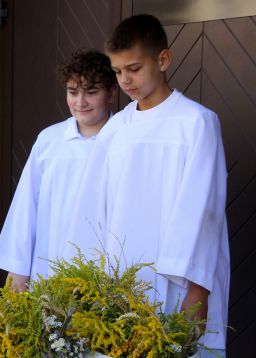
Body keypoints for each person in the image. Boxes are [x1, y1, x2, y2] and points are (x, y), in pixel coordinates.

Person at [65, 14, 229, 357]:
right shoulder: (115, 131)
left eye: (135, 68)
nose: (125, 80)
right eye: (118, 71)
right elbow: (91, 211)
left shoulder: (195, 123)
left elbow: (203, 212)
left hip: (177, 281)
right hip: (118, 286)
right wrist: (81, 287)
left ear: (163, 60)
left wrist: (198, 291)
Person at [0, 48, 117, 291]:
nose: (80, 102)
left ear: (111, 92)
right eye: (72, 92)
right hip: (50, 262)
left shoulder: (123, 140)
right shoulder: (50, 140)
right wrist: (18, 269)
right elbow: (27, 206)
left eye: (91, 92)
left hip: (106, 271)